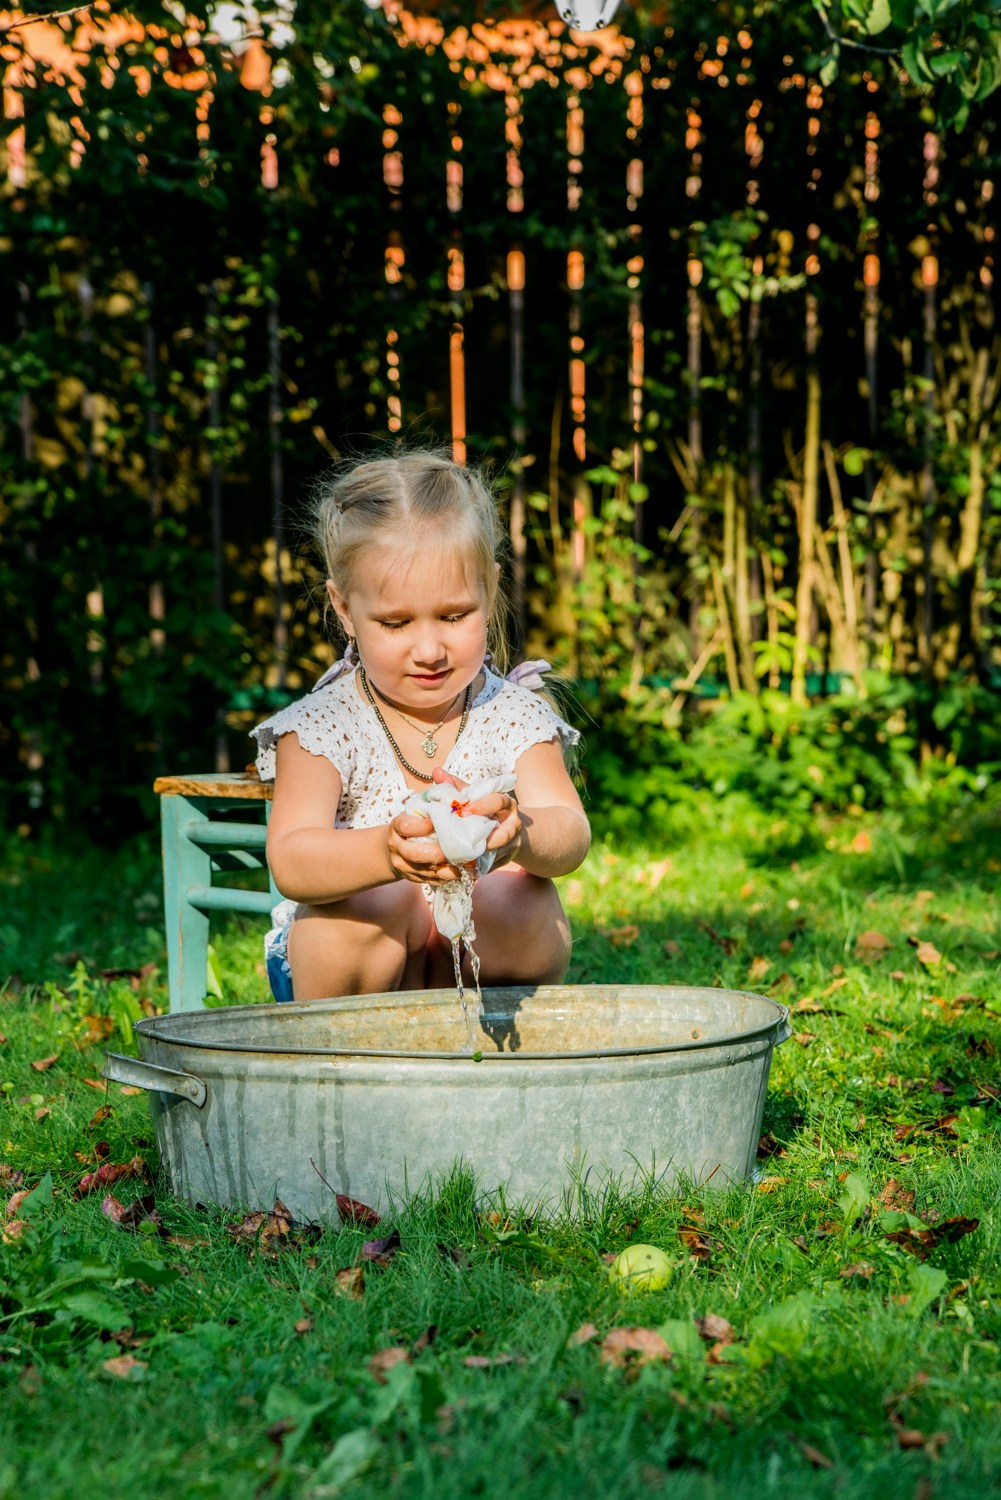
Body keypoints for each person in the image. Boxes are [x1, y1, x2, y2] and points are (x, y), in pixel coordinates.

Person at [251, 451, 591, 1003]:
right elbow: (291, 857)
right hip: (344, 979)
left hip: (472, 967)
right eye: (395, 622)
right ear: (344, 609)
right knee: (374, 904)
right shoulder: (324, 725)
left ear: (490, 589)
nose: (429, 649)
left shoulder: (512, 714)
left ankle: (484, 1047)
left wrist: (519, 833)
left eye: (454, 616)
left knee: (520, 899)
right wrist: (384, 856)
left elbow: (571, 834)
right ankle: (354, 1059)